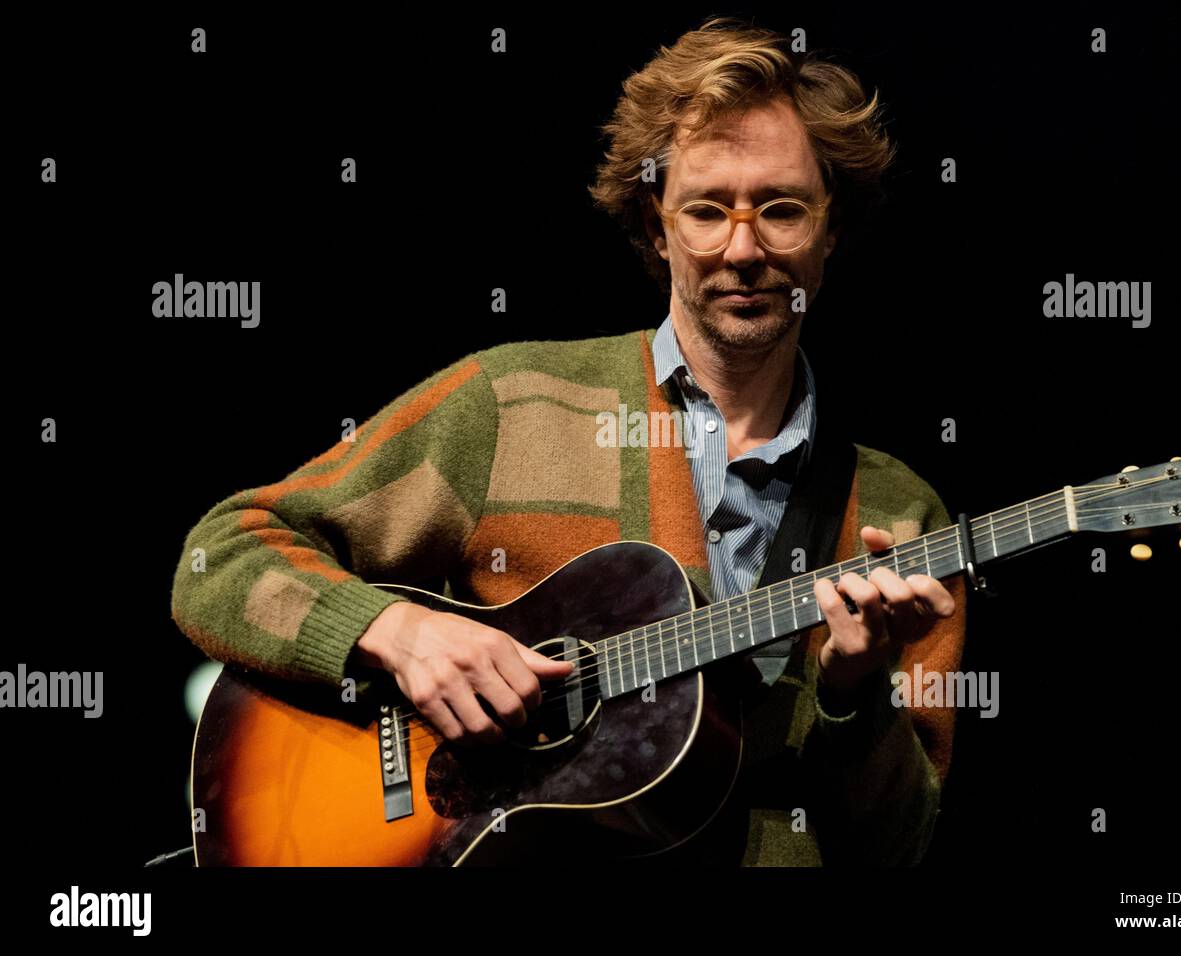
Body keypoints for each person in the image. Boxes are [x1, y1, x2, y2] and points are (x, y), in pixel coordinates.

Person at [170, 17, 966, 866]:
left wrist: (855, 697)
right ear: (657, 229)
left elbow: (895, 848)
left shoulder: (899, 516)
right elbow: (221, 556)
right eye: (705, 209)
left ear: (830, 230)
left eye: (781, 209)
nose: (743, 248)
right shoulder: (511, 403)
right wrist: (398, 633)